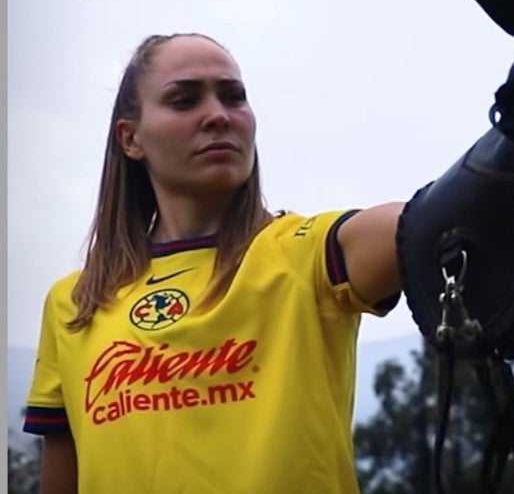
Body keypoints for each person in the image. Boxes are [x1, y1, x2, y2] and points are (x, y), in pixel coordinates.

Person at [24, 32, 404, 494]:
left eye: (233, 96)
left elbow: (427, 223)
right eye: (184, 100)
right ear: (131, 138)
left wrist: (510, 148)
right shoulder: (75, 302)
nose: (218, 116)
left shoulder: (306, 254)